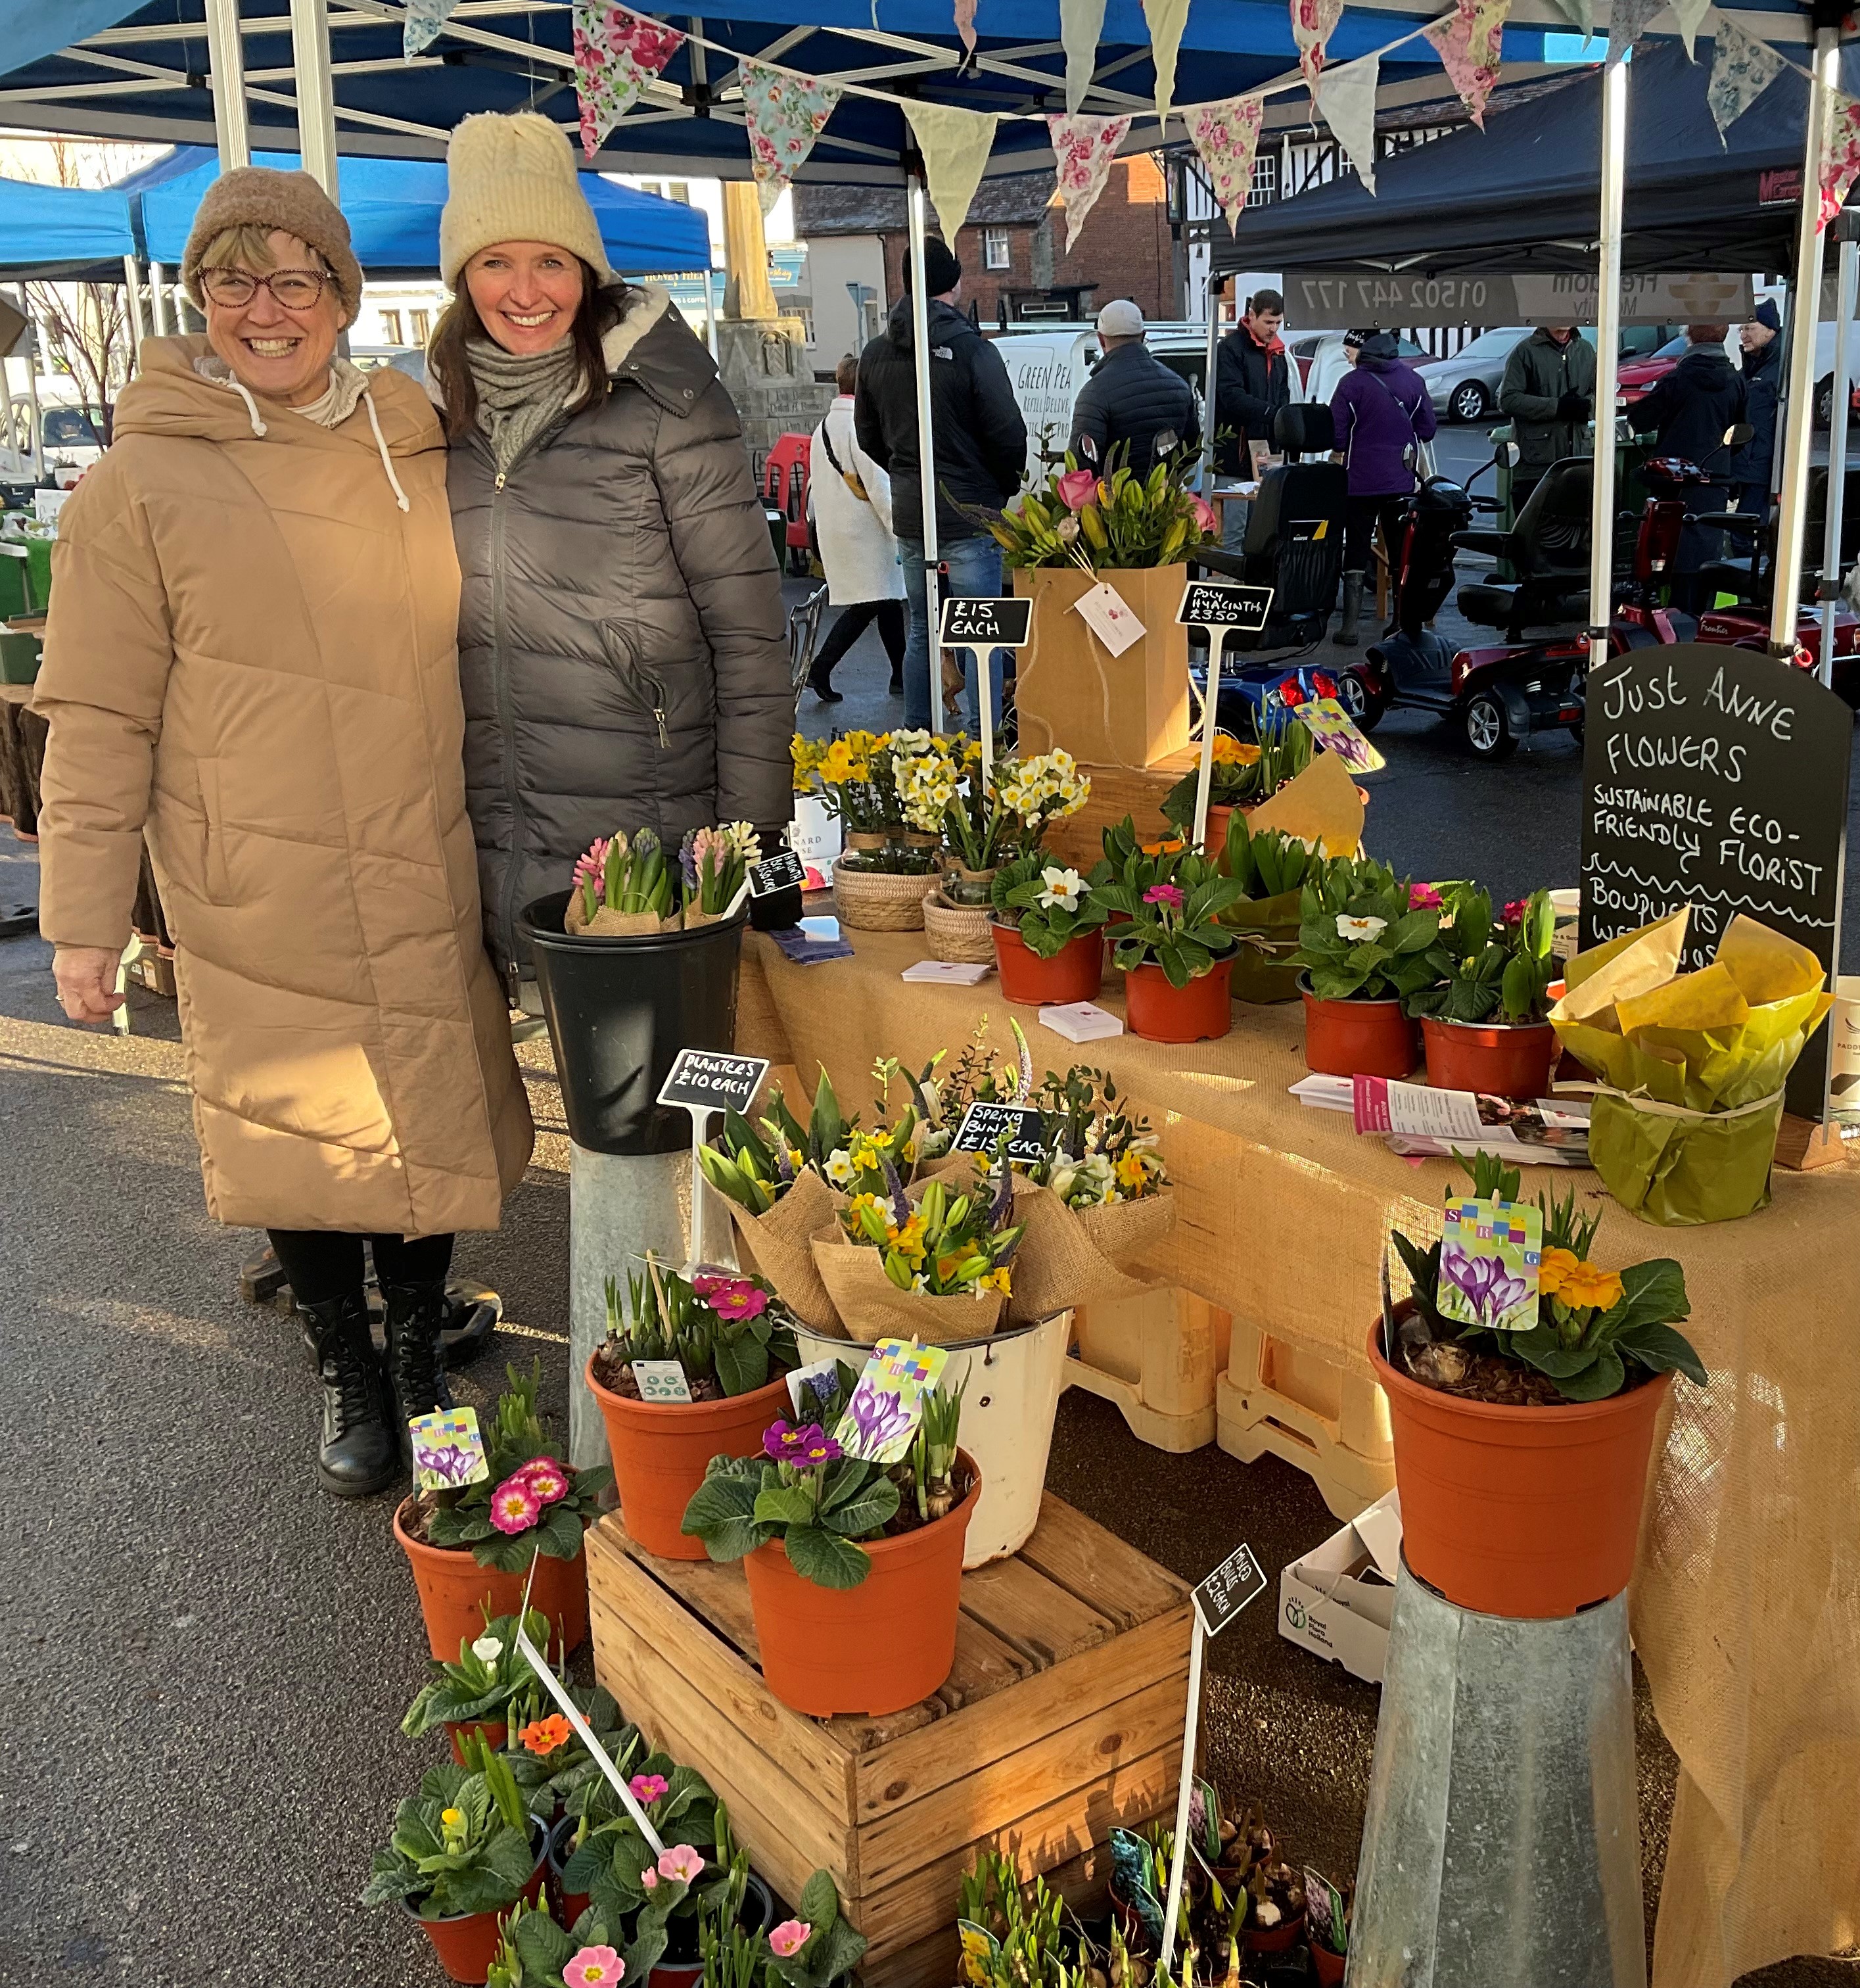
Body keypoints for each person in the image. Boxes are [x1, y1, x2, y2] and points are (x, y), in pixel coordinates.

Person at [32, 168, 534, 1499]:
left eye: (295, 278)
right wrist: (85, 920)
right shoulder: (136, 483)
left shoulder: (413, 434)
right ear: (198, 299)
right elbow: (92, 717)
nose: (266, 308)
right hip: (252, 874)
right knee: (300, 1134)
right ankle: (348, 1370)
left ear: (340, 298)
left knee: (424, 1126)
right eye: (233, 280)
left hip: (418, 841)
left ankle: (421, 1359)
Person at [429, 114, 793, 993]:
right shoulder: (437, 413)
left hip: (647, 824)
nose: (525, 291)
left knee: (646, 1112)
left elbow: (749, 635)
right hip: (491, 819)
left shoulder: (666, 403)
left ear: (587, 273)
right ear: (461, 276)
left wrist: (749, 841)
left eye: (550, 261)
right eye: (494, 262)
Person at [854, 237, 1027, 734]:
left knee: (922, 631)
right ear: (953, 284)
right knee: (981, 634)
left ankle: (917, 738)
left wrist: (907, 474)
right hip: (972, 511)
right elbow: (1007, 433)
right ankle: (984, 742)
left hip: (913, 512)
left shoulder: (874, 353)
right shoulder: (973, 350)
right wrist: (1000, 487)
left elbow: (867, 437)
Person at [806, 352, 906, 703]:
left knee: (888, 600)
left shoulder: (823, 428)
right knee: (868, 604)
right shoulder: (858, 426)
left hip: (840, 530)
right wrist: (901, 529)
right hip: (868, 533)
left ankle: (900, 675)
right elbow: (880, 486)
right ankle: (820, 669)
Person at [1328, 329, 1437, 645]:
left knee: (1358, 547)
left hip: (1359, 481)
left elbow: (1337, 436)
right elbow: (1427, 430)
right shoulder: (1414, 381)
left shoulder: (1351, 384)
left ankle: (1350, 628)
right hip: (1402, 481)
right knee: (1401, 551)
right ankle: (1400, 621)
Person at [1630, 324, 1748, 612]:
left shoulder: (1678, 379)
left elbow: (1640, 419)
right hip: (1714, 480)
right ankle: (1700, 617)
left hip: (1675, 481)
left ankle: (1670, 619)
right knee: (1707, 555)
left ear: (1689, 338)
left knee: (1669, 554)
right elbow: (1741, 434)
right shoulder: (1736, 381)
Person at [1068, 299, 1199, 480]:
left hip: (1114, 503)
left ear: (1100, 339)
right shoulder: (1178, 386)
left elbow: (1081, 464)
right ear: (1143, 336)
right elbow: (1191, 450)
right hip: (1164, 502)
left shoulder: (1094, 393)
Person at [1213, 285, 1290, 546]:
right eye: (1269, 322)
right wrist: (1273, 414)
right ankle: (1231, 584)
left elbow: (1283, 394)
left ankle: (1260, 584)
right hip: (1236, 456)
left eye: (1278, 323)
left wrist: (1282, 422)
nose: (1274, 329)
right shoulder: (1230, 348)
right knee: (1233, 533)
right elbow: (1231, 396)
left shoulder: (1278, 352)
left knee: (1264, 533)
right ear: (1251, 316)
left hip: (1269, 455)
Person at [1497, 325, 1596, 508]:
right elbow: (1508, 400)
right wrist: (1557, 407)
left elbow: (1600, 395)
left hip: (1579, 462)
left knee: (1578, 532)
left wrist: (1587, 406)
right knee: (1536, 533)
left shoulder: (1586, 349)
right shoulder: (1525, 351)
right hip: (1537, 466)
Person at [1729, 298, 1782, 517]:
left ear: (1770, 331)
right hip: (1745, 464)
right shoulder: (1750, 369)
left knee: (1745, 531)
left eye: (1749, 328)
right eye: (1741, 329)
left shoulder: (1782, 369)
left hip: (1763, 466)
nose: (1743, 335)